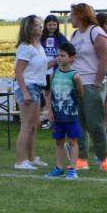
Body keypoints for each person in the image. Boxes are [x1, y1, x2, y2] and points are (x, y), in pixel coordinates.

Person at [67, 2, 107, 172]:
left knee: (95, 124)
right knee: (78, 123)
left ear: (81, 16)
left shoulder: (96, 32)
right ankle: (81, 158)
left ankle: (103, 159)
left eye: (72, 15)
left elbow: (104, 59)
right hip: (76, 84)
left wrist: (98, 82)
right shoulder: (74, 35)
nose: (70, 18)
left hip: (92, 84)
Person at [43, 42, 84, 180]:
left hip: (71, 115)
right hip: (57, 115)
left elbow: (81, 94)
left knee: (72, 142)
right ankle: (59, 167)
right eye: (57, 55)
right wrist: (49, 110)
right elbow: (50, 93)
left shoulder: (75, 76)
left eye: (62, 55)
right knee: (58, 142)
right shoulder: (54, 73)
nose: (59, 58)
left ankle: (73, 169)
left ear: (71, 58)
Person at [13, 15, 49, 170]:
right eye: (36, 25)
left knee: (34, 125)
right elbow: (18, 71)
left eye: (41, 25)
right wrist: (25, 92)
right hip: (28, 87)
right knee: (27, 125)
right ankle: (20, 161)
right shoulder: (26, 48)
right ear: (28, 28)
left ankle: (31, 157)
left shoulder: (38, 46)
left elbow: (40, 67)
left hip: (37, 87)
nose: (40, 27)